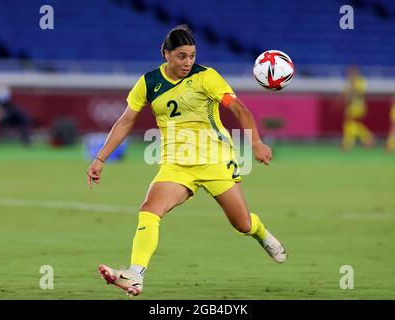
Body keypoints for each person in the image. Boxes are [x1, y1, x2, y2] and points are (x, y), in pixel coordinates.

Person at [86, 25, 287, 297]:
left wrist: (255, 142)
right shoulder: (148, 83)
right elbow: (125, 122)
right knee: (149, 210)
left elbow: (240, 109)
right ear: (166, 54)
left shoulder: (207, 77)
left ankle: (261, 233)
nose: (188, 62)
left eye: (192, 55)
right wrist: (100, 159)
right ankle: (135, 275)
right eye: (181, 56)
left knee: (242, 224)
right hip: (176, 163)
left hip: (215, 158)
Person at [341, 65, 374, 151]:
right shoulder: (348, 82)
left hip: (358, 106)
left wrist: (352, 87)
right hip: (351, 106)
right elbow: (346, 96)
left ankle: (350, 142)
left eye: (351, 72)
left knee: (349, 121)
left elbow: (360, 94)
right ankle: (364, 138)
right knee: (349, 123)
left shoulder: (360, 81)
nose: (349, 74)